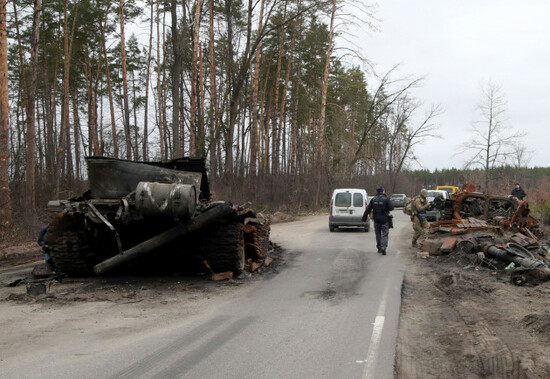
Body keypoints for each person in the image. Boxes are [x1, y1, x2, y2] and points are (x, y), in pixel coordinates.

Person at [361, 186, 394, 255]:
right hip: (385, 220)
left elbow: (368, 210)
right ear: (383, 191)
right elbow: (391, 208)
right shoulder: (386, 199)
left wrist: (364, 219)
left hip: (376, 220)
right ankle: (383, 247)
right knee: (385, 234)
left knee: (378, 234)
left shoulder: (373, 199)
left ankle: (379, 247)